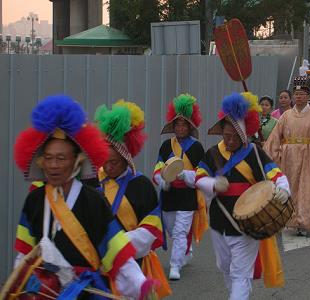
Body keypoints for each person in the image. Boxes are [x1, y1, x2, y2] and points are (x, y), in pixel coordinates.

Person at [12, 95, 154, 299]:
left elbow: (117, 253)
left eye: (61, 158)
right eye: (49, 158)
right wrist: (18, 284)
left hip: (85, 292)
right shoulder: (34, 201)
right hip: (45, 292)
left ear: (76, 162)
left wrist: (139, 283)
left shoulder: (93, 201)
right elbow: (24, 254)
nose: (53, 165)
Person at [195, 91, 290, 300]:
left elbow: (276, 175)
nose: (228, 140)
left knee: (240, 273)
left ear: (243, 134)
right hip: (219, 222)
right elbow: (198, 176)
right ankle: (239, 293)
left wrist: (284, 189)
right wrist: (212, 183)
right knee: (225, 267)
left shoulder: (255, 153)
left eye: (233, 136)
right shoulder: (212, 153)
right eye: (225, 135)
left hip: (247, 225)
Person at [94, 99, 171, 298]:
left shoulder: (142, 185)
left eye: (114, 162)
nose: (108, 167)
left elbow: (152, 230)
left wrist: (113, 244)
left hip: (133, 263)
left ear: (126, 159)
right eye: (105, 161)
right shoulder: (93, 183)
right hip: (97, 267)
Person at [264, 76, 310, 236]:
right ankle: (290, 219)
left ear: (308, 96)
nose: (299, 97)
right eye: (297, 94)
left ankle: (303, 222)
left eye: (302, 94)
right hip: (289, 156)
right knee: (290, 187)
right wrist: (268, 155)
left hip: (309, 155)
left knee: (307, 188)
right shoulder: (286, 116)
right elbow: (275, 137)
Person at [153, 93, 207, 281]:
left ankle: (175, 265)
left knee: (179, 231)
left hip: (187, 196)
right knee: (171, 229)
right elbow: (158, 168)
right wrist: (162, 181)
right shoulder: (165, 146)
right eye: (177, 124)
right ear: (173, 126)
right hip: (168, 196)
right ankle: (186, 249)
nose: (181, 128)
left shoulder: (197, 148)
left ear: (190, 126)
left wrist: (187, 175)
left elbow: (202, 174)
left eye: (184, 124)